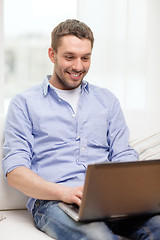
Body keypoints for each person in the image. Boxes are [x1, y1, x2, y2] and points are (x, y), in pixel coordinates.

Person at [2, 19, 160, 240]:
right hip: (54, 203)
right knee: (98, 237)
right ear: (52, 54)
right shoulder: (24, 103)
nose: (78, 66)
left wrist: (130, 193)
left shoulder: (106, 100)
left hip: (109, 200)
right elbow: (15, 172)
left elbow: (123, 154)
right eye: (69, 57)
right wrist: (64, 192)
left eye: (85, 58)